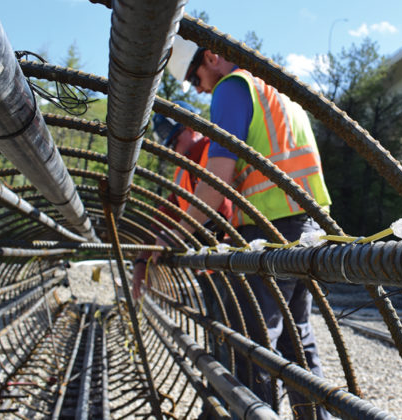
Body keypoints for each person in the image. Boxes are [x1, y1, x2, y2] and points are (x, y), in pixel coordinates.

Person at [163, 34, 333, 419]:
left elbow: (217, 181)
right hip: (306, 226)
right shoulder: (275, 91)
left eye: (195, 78)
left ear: (212, 57)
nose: (200, 89)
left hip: (269, 230)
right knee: (296, 343)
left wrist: (173, 236)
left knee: (250, 349)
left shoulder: (233, 87)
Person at [131, 100, 232, 300]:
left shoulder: (214, 152)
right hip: (208, 264)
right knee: (218, 326)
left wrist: (179, 236)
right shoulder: (182, 172)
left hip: (230, 260)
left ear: (190, 128)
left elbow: (221, 212)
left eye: (175, 141)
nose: (174, 151)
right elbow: (163, 216)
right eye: (170, 145)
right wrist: (142, 261)